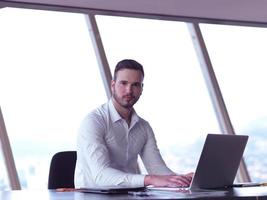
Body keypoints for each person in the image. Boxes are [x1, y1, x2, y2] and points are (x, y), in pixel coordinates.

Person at [74, 59, 193, 188]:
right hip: (94, 196)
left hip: (129, 195)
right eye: (123, 83)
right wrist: (149, 179)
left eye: (135, 85)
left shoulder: (144, 127)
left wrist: (182, 179)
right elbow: (101, 176)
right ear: (113, 85)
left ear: (141, 89)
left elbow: (157, 169)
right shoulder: (94, 122)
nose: (129, 90)